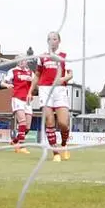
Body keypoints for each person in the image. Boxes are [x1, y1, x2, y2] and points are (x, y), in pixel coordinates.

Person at [36, 32, 73, 161]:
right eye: (49, 39)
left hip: (60, 90)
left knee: (63, 123)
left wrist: (62, 79)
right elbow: (37, 75)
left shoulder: (64, 56)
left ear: (59, 41)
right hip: (45, 89)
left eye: (54, 38)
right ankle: (55, 152)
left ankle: (64, 144)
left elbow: (70, 74)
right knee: (49, 120)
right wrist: (30, 91)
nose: (52, 41)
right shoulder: (42, 57)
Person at [1, 59, 36, 154]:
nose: (22, 62)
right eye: (20, 60)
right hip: (17, 98)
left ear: (26, 62)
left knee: (27, 127)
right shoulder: (13, 71)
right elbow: (2, 82)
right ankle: (21, 146)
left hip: (27, 100)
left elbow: (36, 84)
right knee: (22, 122)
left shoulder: (30, 72)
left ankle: (15, 141)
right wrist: (7, 85)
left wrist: (32, 84)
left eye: (24, 60)